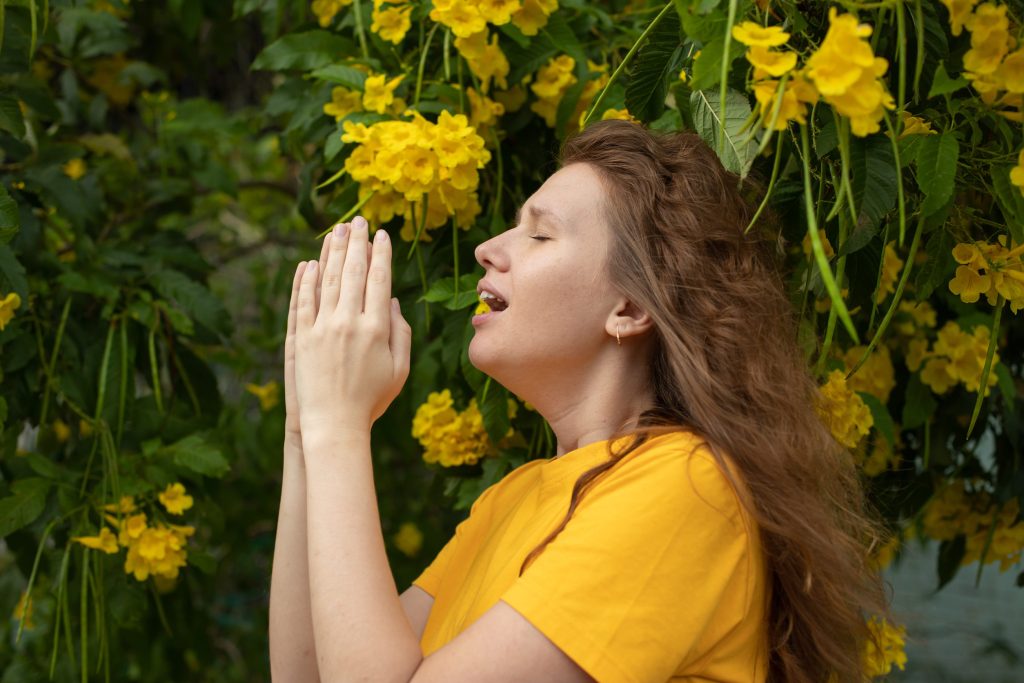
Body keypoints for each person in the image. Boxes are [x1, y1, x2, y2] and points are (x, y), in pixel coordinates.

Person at [268, 119, 889, 683]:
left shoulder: (685, 490)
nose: (489, 247)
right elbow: (309, 674)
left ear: (630, 308)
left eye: (540, 234)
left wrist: (340, 428)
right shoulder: (513, 499)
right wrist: (306, 431)